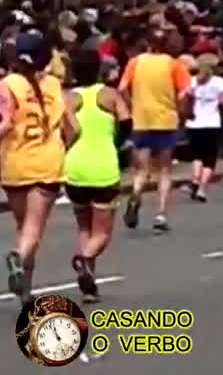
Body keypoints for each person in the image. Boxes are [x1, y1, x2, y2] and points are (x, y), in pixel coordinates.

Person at [2, 33, 78, 306]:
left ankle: (26, 290)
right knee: (33, 229)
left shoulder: (7, 85)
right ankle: (17, 259)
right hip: (46, 162)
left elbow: (4, 123)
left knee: (24, 226)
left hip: (13, 162)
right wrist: (63, 147)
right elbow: (74, 128)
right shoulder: (55, 86)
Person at [64, 48, 129, 303]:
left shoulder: (67, 98)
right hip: (103, 167)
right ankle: (84, 259)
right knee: (101, 233)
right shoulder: (110, 95)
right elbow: (126, 123)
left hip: (75, 168)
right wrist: (117, 143)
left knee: (84, 226)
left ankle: (89, 285)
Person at [119, 28, 192, 232]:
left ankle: (135, 194)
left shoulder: (135, 62)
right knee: (165, 170)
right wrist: (181, 111)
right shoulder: (173, 64)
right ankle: (160, 214)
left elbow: (122, 87)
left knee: (141, 169)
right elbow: (185, 92)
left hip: (142, 120)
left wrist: (132, 104)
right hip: (166, 120)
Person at [185, 53, 223, 202]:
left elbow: (186, 98)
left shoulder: (192, 81)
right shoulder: (219, 82)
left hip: (194, 123)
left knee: (197, 155)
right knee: (210, 159)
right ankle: (202, 190)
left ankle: (195, 181)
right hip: (212, 123)